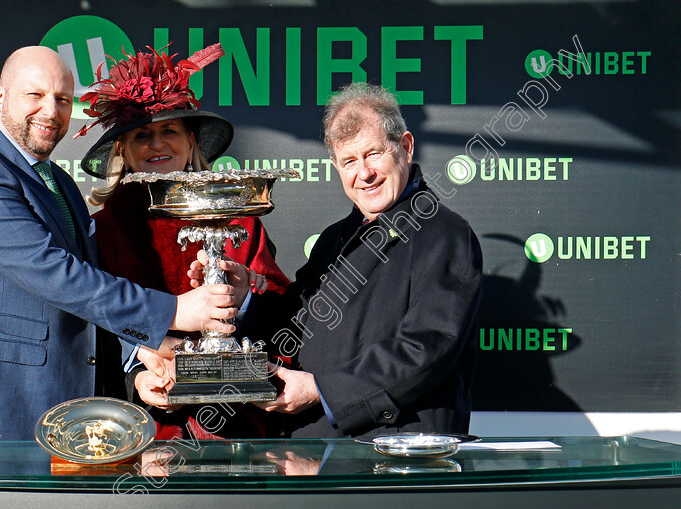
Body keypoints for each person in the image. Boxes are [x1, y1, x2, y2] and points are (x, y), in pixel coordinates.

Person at [0, 46, 240, 440]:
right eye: (34, 96)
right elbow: (57, 276)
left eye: (63, 100)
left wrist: (139, 351)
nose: (51, 112)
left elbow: (82, 300)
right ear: (0, 98)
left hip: (67, 414)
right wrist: (173, 311)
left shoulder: (59, 183)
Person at [194, 82, 483, 439]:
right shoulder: (334, 238)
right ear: (336, 166)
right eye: (349, 161)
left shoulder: (444, 234)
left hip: (397, 462)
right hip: (318, 458)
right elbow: (294, 323)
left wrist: (323, 391)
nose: (364, 174)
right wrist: (245, 299)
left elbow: (426, 349)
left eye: (374, 153)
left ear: (405, 148)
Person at [75, 44, 290, 440]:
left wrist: (246, 299)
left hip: (240, 432)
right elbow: (86, 327)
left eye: (170, 131)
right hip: (143, 435)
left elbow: (283, 316)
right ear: (123, 151)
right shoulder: (101, 231)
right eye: (143, 135)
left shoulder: (241, 220)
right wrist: (138, 367)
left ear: (192, 143)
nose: (157, 145)